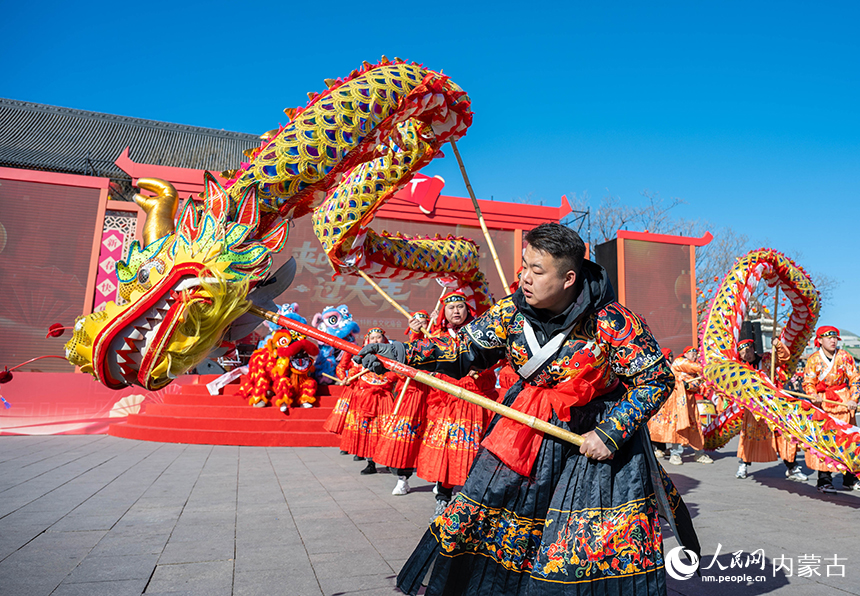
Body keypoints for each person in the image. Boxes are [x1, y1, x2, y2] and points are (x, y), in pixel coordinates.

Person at [356, 222, 698, 596]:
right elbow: (463, 351)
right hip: (524, 433)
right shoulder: (510, 313)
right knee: (487, 521)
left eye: (537, 270)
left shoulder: (612, 321)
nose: (525, 278)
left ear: (569, 277)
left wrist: (610, 433)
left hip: (591, 444)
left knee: (580, 545)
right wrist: (401, 355)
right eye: (524, 266)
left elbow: (656, 379)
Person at [416, 289, 498, 518]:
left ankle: (478, 506)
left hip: (476, 402)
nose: (456, 311)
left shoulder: (478, 333)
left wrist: (481, 368)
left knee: (477, 455)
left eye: (460, 306)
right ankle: (442, 501)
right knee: (447, 455)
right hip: (448, 402)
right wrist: (415, 333)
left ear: (467, 309)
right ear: (445, 311)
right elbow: (422, 357)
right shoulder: (436, 336)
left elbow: (494, 357)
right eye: (451, 307)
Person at [374, 312, 432, 495]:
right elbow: (399, 370)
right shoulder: (406, 347)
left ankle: (439, 481)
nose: (421, 324)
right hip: (411, 396)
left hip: (435, 396)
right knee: (403, 439)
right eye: (417, 322)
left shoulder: (439, 340)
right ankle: (402, 479)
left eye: (424, 322)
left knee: (436, 439)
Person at [734, 337, 805, 480]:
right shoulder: (739, 368)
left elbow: (784, 357)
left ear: (753, 349)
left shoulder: (767, 359)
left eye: (748, 351)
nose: (745, 355)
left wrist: (777, 345)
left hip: (773, 403)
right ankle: (743, 464)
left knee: (783, 434)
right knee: (749, 436)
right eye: (742, 353)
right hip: (753, 406)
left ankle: (791, 467)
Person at [803, 326, 860, 493]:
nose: (833, 340)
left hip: (843, 403)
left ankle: (850, 479)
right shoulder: (813, 359)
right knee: (826, 441)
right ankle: (824, 479)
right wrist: (813, 395)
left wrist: (853, 399)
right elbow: (808, 382)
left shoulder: (845, 357)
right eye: (829, 337)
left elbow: (855, 379)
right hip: (823, 404)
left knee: (847, 440)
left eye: (835, 337)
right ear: (819, 340)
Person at [339, 328, 398, 475]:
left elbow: (396, 376)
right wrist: (346, 379)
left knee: (386, 430)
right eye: (373, 338)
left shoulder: (390, 358)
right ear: (368, 341)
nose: (376, 340)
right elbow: (353, 373)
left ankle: (389, 460)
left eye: (379, 337)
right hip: (366, 400)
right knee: (367, 431)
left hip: (384, 399)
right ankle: (370, 462)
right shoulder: (360, 358)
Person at [648, 345, 713, 465]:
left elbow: (698, 385)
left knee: (695, 428)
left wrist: (692, 385)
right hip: (677, 403)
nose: (695, 355)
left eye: (696, 354)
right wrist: (710, 367)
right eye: (692, 353)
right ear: (686, 354)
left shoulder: (692, 372)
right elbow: (693, 368)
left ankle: (699, 453)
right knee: (678, 428)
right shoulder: (680, 362)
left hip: (690, 404)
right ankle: (675, 454)